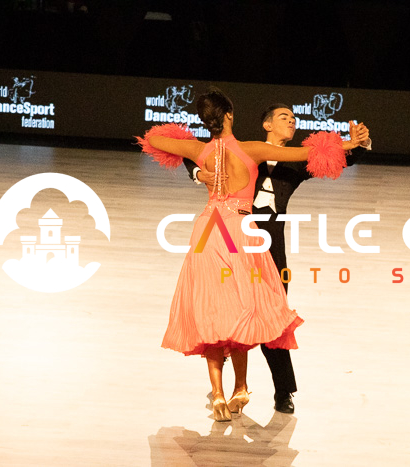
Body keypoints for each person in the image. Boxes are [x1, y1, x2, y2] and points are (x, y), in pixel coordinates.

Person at [137, 89, 361, 422]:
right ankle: (241, 387)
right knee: (245, 308)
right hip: (241, 231)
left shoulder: (199, 150)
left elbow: (155, 139)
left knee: (211, 310)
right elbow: (308, 152)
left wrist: (201, 169)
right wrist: (349, 142)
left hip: (208, 231)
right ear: (229, 115)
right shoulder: (252, 149)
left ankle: (218, 395)